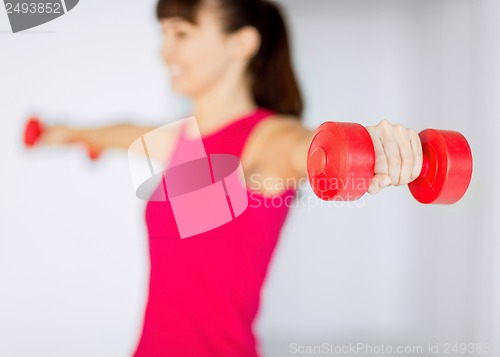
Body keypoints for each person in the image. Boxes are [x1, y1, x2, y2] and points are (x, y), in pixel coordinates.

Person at [38, 0, 423, 355]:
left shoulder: (267, 138)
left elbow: (308, 149)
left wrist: (373, 146)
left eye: (182, 34)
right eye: (165, 34)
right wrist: (68, 134)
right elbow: (123, 132)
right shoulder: (181, 139)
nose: (165, 50)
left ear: (241, 44)